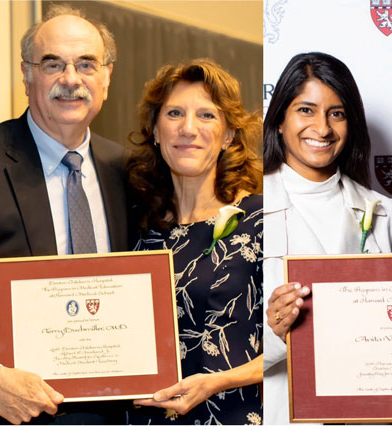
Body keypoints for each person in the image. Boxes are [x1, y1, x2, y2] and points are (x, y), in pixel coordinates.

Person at [0, 5, 128, 425]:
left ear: (106, 77)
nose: (71, 79)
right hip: (6, 414)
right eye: (52, 64)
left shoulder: (130, 171)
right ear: (26, 74)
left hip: (114, 413)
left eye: (86, 64)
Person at [262, 52, 392, 424]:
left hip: (369, 414)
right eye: (306, 110)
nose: (323, 128)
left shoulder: (387, 214)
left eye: (337, 113)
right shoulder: (247, 211)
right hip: (283, 413)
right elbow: (216, 343)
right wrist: (275, 332)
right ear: (279, 120)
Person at [125, 58, 262, 425]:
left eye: (206, 116)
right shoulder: (135, 225)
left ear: (230, 134)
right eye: (174, 114)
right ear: (155, 130)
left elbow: (296, 345)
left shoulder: (263, 220)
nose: (188, 129)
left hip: (230, 415)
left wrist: (218, 382)